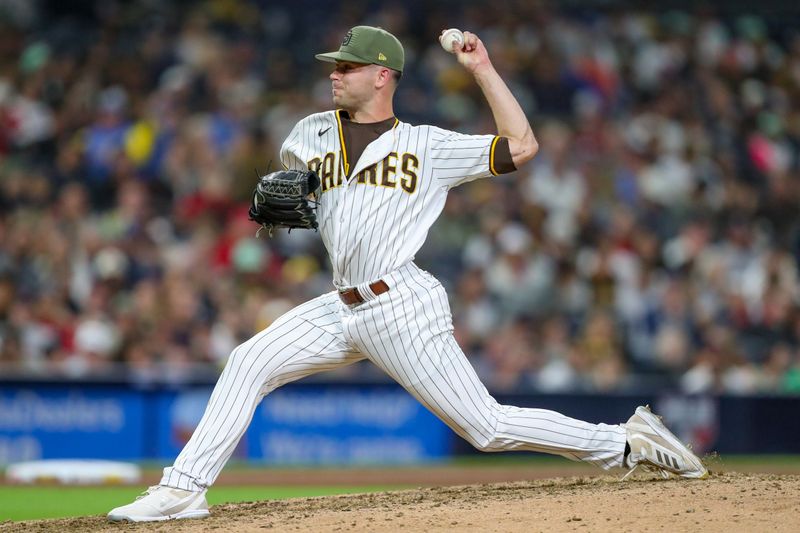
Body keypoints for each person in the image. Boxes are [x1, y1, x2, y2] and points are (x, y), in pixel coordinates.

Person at [108, 26, 707, 523]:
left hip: (400, 303)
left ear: (383, 75)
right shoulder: (308, 133)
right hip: (337, 306)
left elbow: (521, 147)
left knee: (488, 428)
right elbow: (295, 198)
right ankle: (184, 488)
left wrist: (482, 69)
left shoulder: (426, 144)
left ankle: (628, 442)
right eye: (335, 65)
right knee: (247, 361)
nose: (335, 73)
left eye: (349, 65)